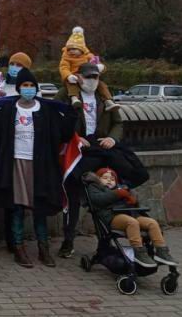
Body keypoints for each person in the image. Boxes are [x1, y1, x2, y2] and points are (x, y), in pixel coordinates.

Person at [0, 68, 76, 268]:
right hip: (15, 162)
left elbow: (62, 134)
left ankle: (43, 248)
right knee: (17, 207)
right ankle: (19, 247)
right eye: (25, 85)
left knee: (40, 206)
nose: (28, 89)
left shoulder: (46, 110)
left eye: (32, 86)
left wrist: (73, 114)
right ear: (18, 88)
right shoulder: (8, 110)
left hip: (41, 165)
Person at [55, 62, 127, 258]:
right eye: (88, 77)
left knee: (102, 196)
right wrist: (75, 138)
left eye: (95, 77)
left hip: (99, 149)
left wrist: (112, 138)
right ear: (78, 76)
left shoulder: (104, 96)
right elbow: (56, 118)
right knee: (72, 197)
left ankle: (105, 242)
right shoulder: (66, 94)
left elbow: (118, 122)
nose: (92, 81)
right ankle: (68, 241)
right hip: (75, 150)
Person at [85, 168, 178, 268]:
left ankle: (162, 251)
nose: (109, 180)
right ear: (98, 180)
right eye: (105, 178)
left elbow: (133, 203)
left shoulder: (121, 187)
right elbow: (98, 200)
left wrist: (133, 200)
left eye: (112, 179)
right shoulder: (95, 188)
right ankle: (139, 252)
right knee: (132, 222)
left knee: (152, 223)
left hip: (131, 213)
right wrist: (118, 193)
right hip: (112, 216)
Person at [59, 26, 118, 111]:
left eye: (74, 49)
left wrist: (100, 67)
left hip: (89, 75)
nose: (71, 51)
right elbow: (63, 68)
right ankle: (74, 98)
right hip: (75, 77)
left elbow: (98, 64)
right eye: (69, 49)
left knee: (102, 85)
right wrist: (68, 76)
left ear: (82, 49)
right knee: (71, 85)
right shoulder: (66, 58)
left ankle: (108, 101)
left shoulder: (88, 56)